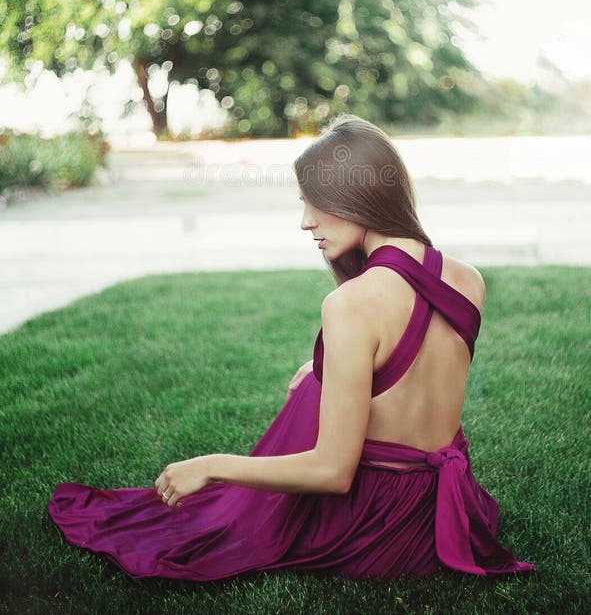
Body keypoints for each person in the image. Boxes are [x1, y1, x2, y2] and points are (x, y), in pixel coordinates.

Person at [48, 113, 535, 581]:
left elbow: (332, 472)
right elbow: (414, 368)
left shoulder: (352, 304)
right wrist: (325, 370)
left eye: (313, 202)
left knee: (215, 514)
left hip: (383, 527)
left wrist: (212, 467)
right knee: (314, 380)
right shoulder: (467, 278)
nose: (305, 222)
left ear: (355, 196)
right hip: (447, 506)